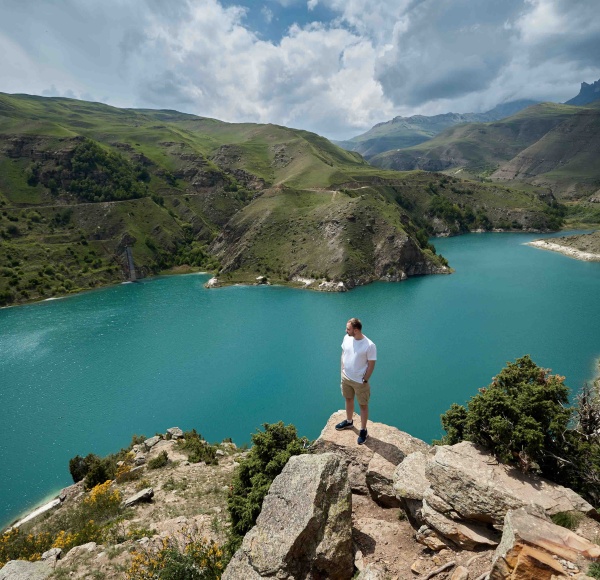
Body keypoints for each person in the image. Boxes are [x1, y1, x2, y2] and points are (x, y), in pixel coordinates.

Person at [335, 317, 377, 445]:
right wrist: (342, 368)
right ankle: (349, 421)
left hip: (360, 381)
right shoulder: (347, 338)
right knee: (348, 399)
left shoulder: (369, 345)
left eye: (348, 329)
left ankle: (363, 430)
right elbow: (343, 352)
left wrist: (365, 379)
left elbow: (371, 364)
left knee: (363, 405)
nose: (346, 330)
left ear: (356, 330)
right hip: (346, 377)